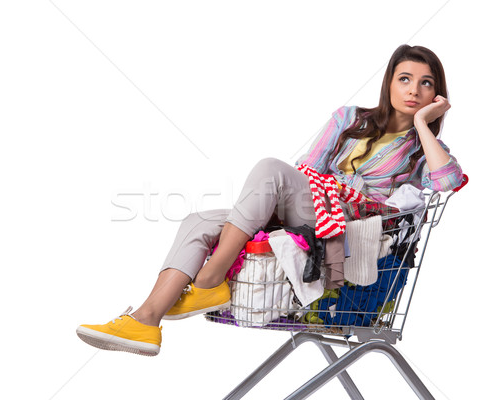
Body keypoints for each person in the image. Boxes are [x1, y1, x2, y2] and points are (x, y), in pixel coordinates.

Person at [76, 44, 463, 357]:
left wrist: (420, 126)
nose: (414, 90)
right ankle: (146, 319)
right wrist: (300, 196)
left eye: (426, 83)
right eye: (405, 79)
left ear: (436, 94)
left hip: (345, 223)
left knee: (269, 169)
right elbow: (309, 169)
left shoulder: (424, 152)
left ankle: (210, 280)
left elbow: (448, 181)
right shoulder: (349, 118)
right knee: (200, 220)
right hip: (311, 204)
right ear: (390, 84)